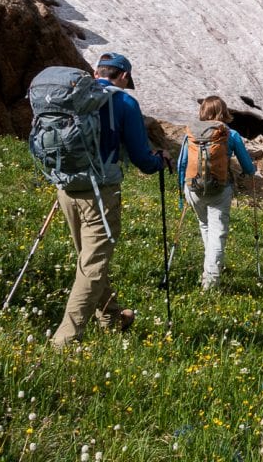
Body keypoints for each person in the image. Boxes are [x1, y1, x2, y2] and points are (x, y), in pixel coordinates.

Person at [52, 52, 172, 349]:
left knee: (88, 257)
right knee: (93, 264)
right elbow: (142, 159)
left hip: (66, 186)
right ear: (124, 77)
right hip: (100, 191)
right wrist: (160, 162)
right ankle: (65, 340)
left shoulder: (71, 93)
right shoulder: (125, 102)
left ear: (96, 72)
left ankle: (112, 318)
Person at [176, 96, 258, 291]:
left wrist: (182, 191)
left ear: (203, 112)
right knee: (218, 233)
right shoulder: (231, 135)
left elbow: (181, 164)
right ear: (224, 112)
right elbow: (247, 166)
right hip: (219, 189)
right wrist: (250, 171)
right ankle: (211, 283)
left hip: (193, 188)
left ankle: (211, 265)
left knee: (205, 225)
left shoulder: (191, 134)